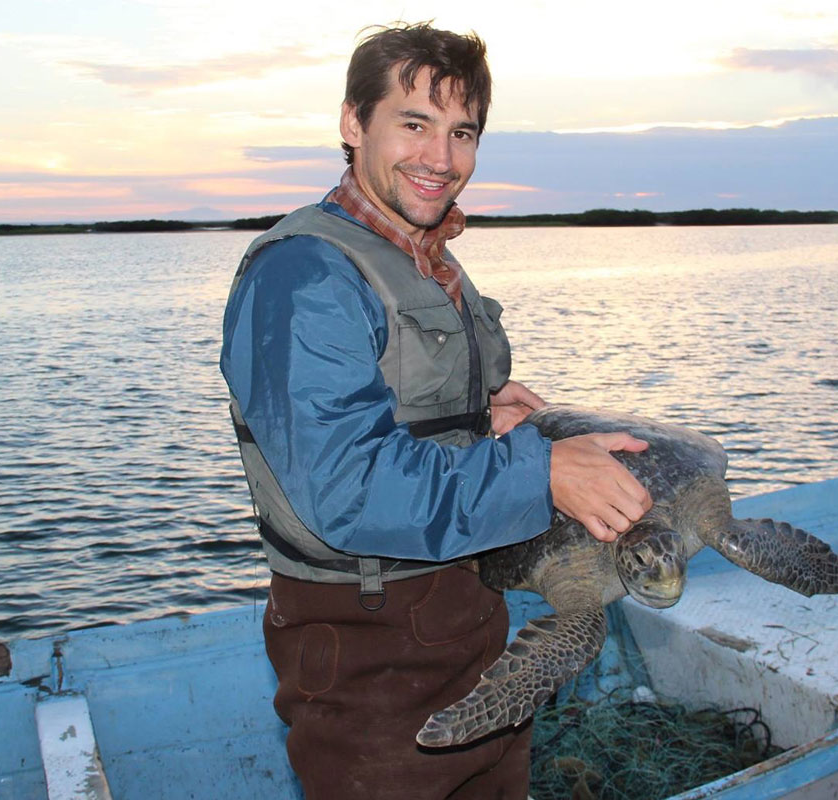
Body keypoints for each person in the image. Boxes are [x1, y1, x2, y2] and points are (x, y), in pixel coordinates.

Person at [220, 22, 653, 799]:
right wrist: (543, 473)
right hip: (367, 646)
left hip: (469, 614)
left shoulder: (426, 257)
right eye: (413, 124)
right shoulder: (304, 275)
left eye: (462, 133)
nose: (442, 160)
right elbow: (347, 489)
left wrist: (481, 416)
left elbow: (401, 412)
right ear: (354, 125)